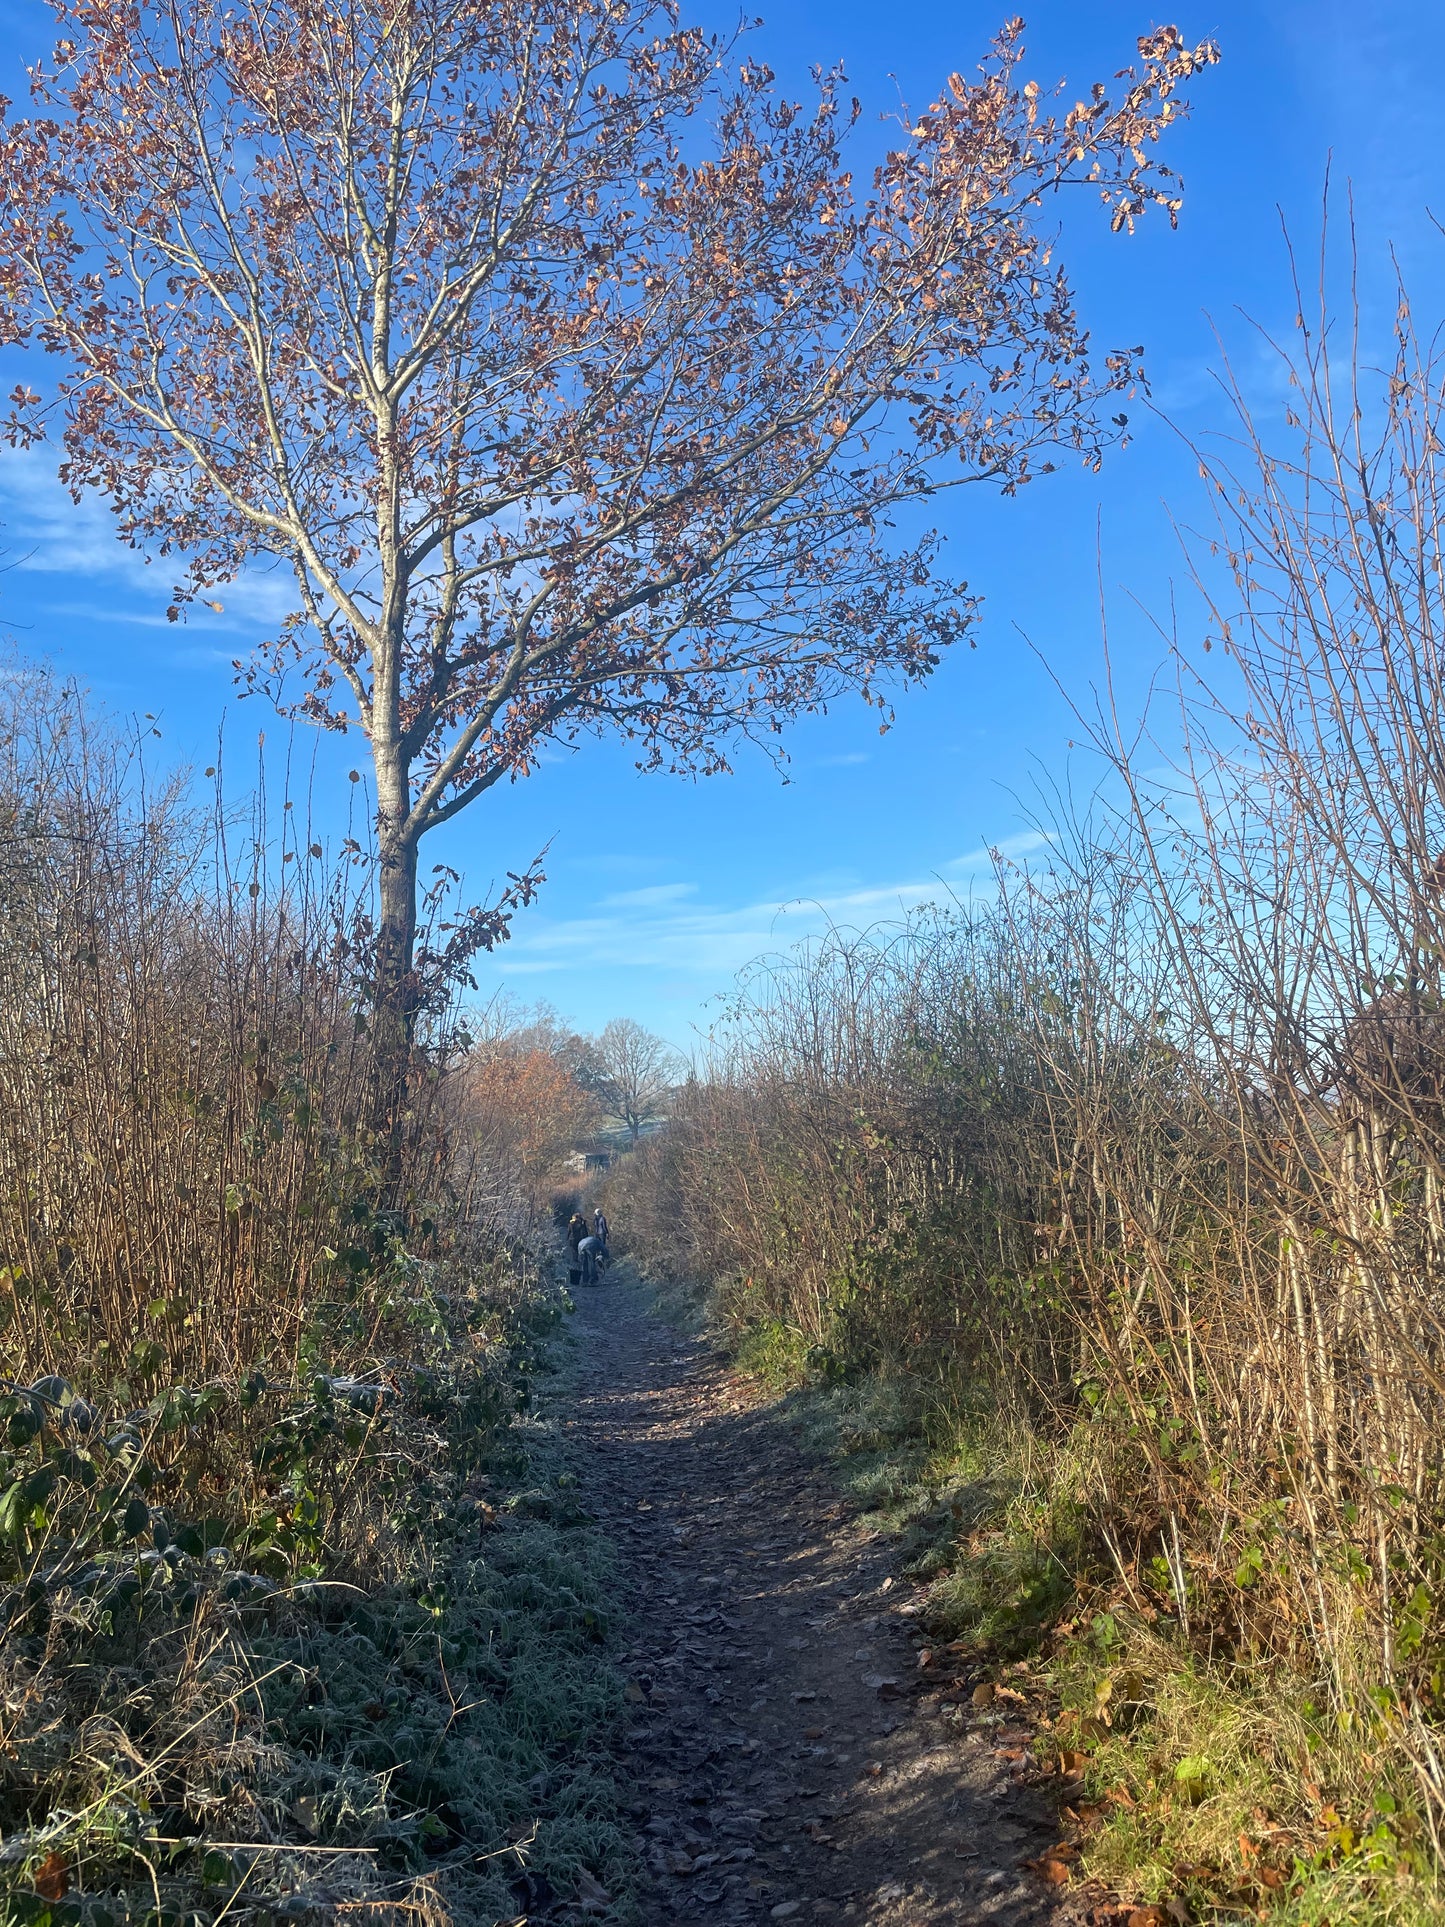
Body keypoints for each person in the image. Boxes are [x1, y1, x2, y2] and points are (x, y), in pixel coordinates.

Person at [565, 1210, 588, 1290]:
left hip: (572, 1241)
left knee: (574, 1256)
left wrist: (567, 1239)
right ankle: (581, 1272)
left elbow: (569, 1232)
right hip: (580, 1241)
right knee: (580, 1256)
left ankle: (575, 1273)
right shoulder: (580, 1224)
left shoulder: (571, 1224)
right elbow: (584, 1232)